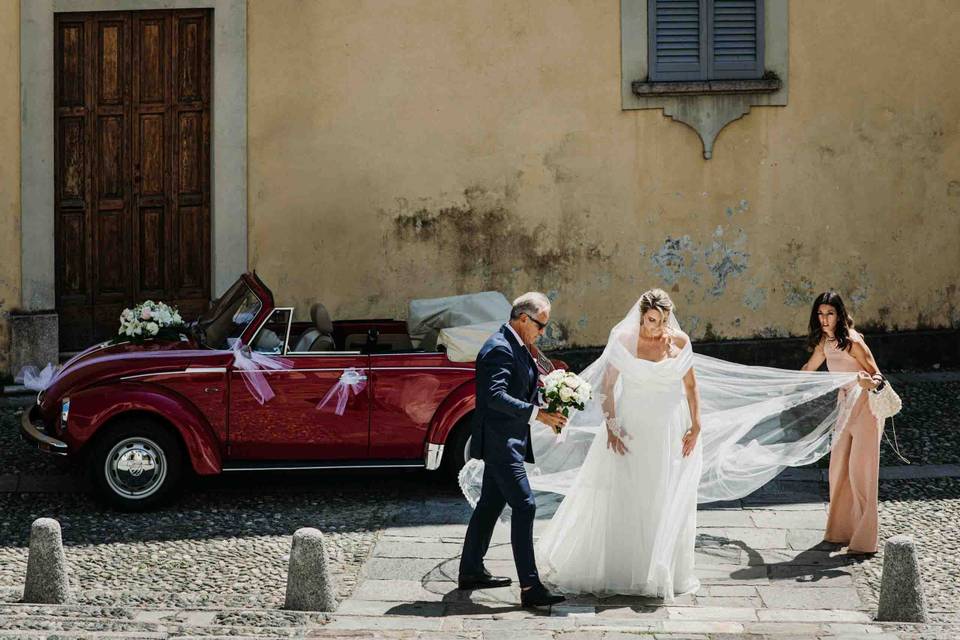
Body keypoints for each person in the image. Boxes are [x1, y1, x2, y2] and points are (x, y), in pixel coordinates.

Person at [535, 289, 703, 599]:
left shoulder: (679, 341)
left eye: (663, 320)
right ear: (642, 316)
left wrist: (696, 425)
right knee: (628, 494)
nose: (657, 327)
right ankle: (624, 570)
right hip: (631, 428)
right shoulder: (624, 339)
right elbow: (607, 387)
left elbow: (691, 386)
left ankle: (660, 569)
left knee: (664, 494)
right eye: (652, 320)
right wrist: (612, 427)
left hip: (668, 428)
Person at [457, 292, 568, 607]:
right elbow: (494, 397)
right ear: (523, 319)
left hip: (508, 440)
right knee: (526, 506)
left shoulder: (517, 346)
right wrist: (538, 415)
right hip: (500, 443)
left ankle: (470, 570)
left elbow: (523, 385)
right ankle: (530, 588)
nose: (543, 332)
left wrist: (552, 397)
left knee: (490, 505)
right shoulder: (499, 349)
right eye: (541, 325)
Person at [801, 291, 883, 554]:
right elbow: (808, 369)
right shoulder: (825, 342)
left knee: (861, 474)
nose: (824, 319)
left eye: (830, 314)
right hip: (844, 409)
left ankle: (864, 541)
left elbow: (877, 376)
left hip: (866, 410)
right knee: (838, 471)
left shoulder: (853, 341)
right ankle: (839, 532)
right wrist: (781, 388)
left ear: (840, 314)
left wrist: (869, 382)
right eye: (820, 314)